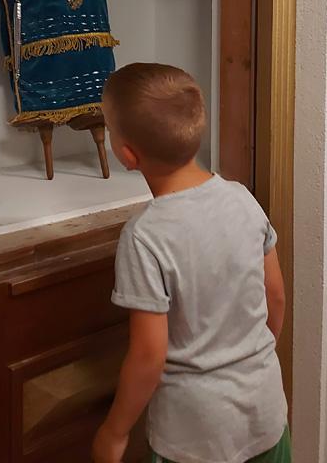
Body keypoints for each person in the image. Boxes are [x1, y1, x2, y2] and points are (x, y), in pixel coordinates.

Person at [91, 63, 290, 463]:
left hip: (194, 436)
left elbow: (148, 355)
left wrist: (115, 431)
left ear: (127, 154)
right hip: (265, 411)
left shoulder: (145, 235)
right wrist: (250, 364)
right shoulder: (242, 198)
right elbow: (276, 297)